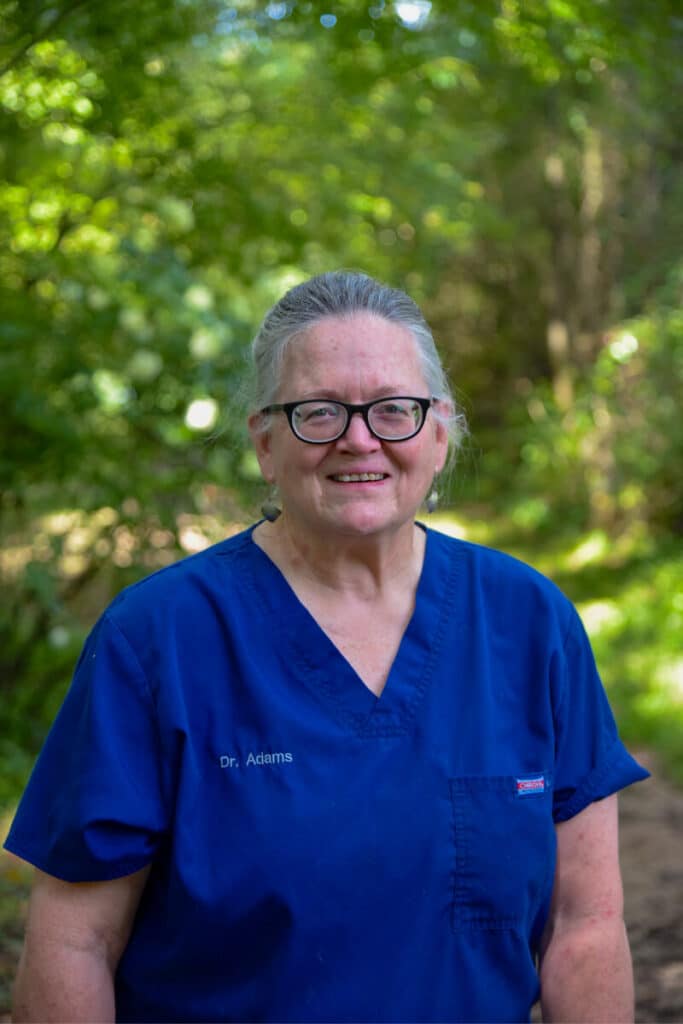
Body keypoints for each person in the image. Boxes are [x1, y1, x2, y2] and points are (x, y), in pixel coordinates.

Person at [6, 270, 648, 1024]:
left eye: (394, 410)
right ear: (265, 443)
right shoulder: (157, 639)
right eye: (318, 412)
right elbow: (73, 942)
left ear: (439, 434)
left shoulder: (528, 621)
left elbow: (585, 925)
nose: (358, 438)